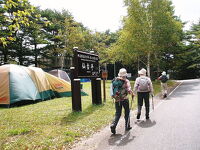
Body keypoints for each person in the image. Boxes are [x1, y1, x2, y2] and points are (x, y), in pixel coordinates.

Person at [110, 68, 134, 134]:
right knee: (127, 112)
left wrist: (113, 96)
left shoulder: (114, 80)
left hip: (117, 100)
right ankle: (127, 126)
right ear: (125, 74)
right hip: (125, 99)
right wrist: (132, 93)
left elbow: (111, 90)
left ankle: (113, 125)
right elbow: (129, 90)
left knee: (118, 113)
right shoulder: (126, 81)